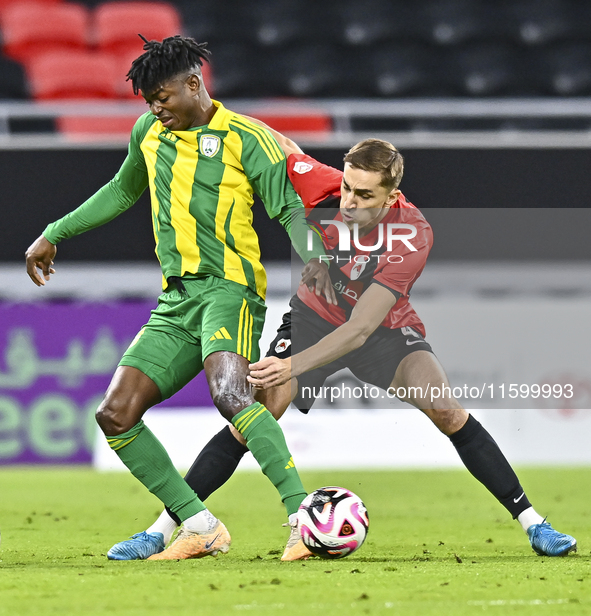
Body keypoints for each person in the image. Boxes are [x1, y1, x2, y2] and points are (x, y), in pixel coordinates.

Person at [114, 126, 577, 562]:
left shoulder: (412, 235)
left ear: (393, 197)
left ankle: (535, 524)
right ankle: (163, 528)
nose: (349, 202)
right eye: (348, 188)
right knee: (250, 416)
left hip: (382, 333)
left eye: (364, 194)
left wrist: (291, 365)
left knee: (448, 410)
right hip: (311, 320)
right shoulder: (324, 185)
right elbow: (277, 143)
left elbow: (359, 329)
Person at [24, 36, 333, 562]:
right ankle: (199, 524)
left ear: (194, 84)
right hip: (176, 302)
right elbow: (122, 190)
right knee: (115, 415)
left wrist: (317, 259)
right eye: (148, 101)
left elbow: (287, 209)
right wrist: (55, 231)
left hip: (230, 290)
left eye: (162, 97)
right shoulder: (149, 132)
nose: (154, 109)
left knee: (233, 395)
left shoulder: (247, 138)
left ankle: (303, 518)